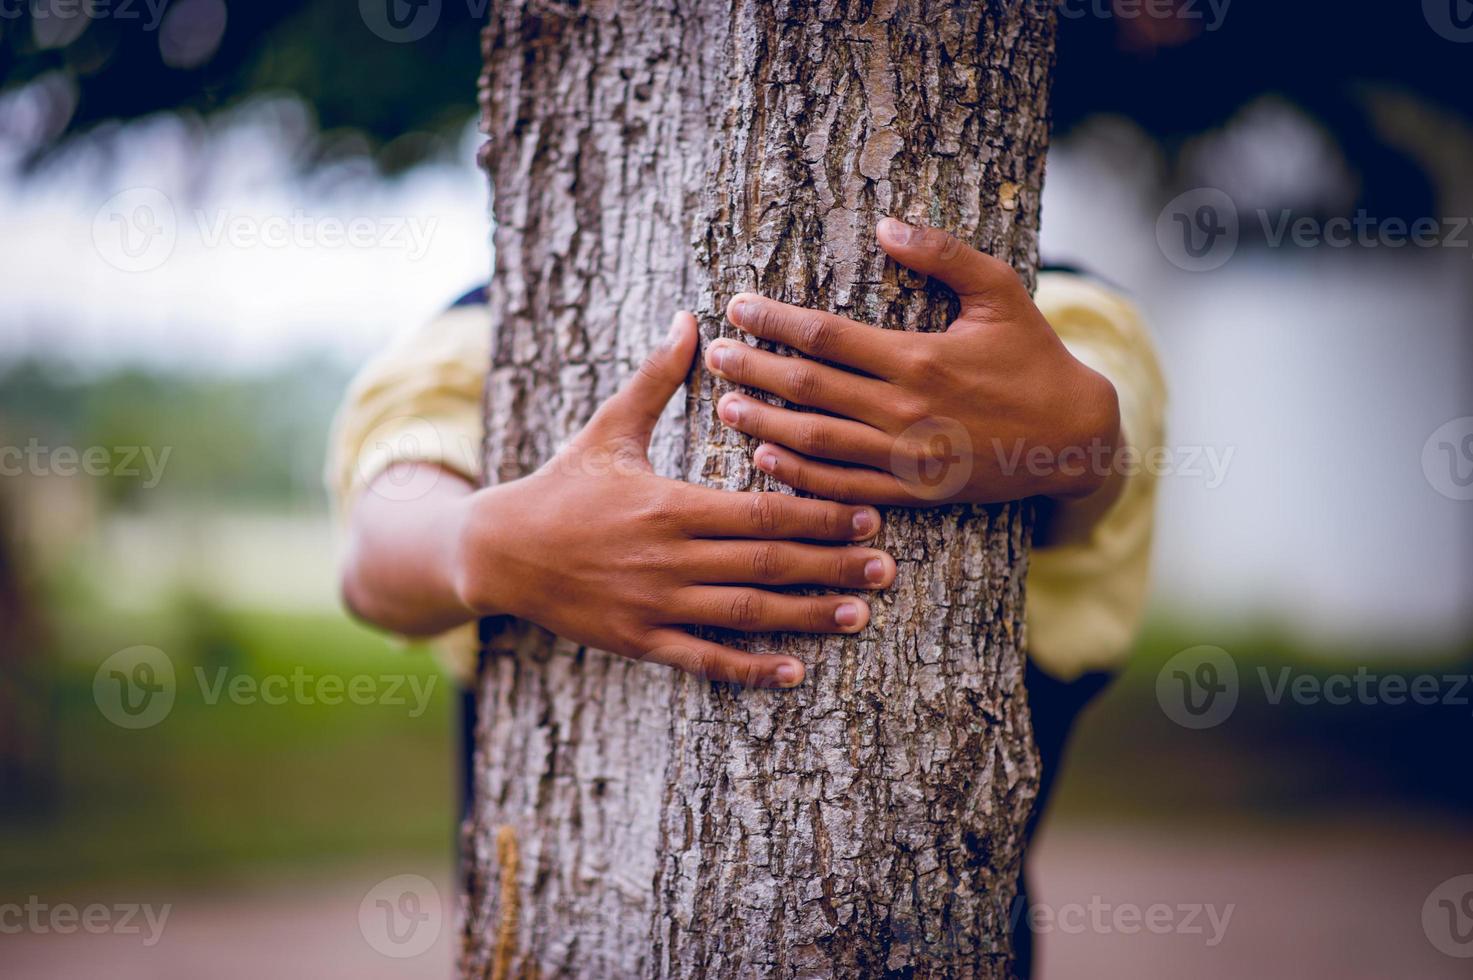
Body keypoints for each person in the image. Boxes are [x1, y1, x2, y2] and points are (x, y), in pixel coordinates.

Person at [326, 218, 1165, 974]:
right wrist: (482, 545)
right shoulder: (500, 316)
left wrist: (1080, 444)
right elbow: (379, 540)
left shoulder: (1070, 313)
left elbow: (1095, 475)